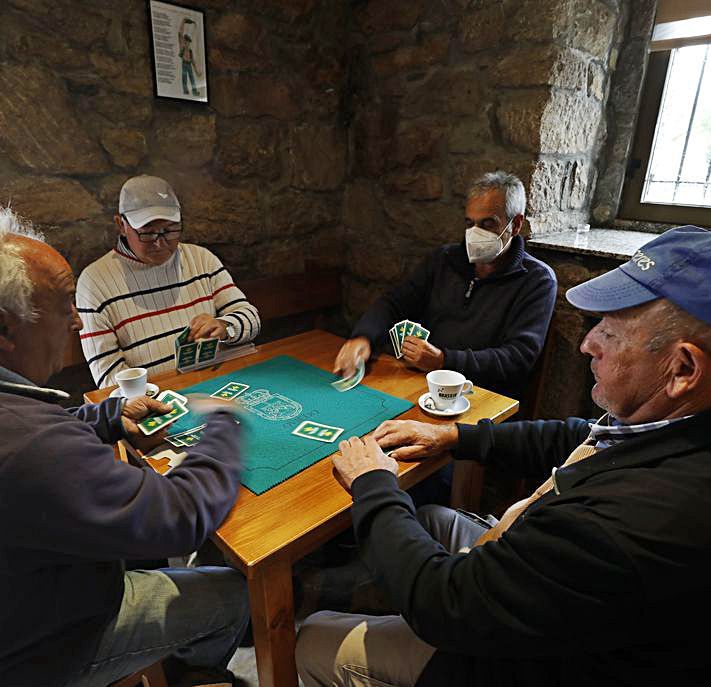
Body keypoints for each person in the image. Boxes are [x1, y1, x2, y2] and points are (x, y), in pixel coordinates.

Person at [297, 225, 711, 687]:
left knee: (313, 637)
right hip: (545, 594)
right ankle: (370, 592)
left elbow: (447, 605)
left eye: (609, 334)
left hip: (518, 662)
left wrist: (373, 483)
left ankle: (341, 607)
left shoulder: (636, 521)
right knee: (432, 516)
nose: (587, 343)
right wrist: (455, 437)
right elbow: (579, 437)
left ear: (683, 368)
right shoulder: (674, 423)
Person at [0, 206, 249, 687]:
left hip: (31, 592)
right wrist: (223, 425)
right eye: (64, 304)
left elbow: (36, 427)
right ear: (5, 329)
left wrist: (108, 416)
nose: (76, 321)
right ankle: (187, 674)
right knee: (233, 593)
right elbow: (180, 518)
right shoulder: (30, 445)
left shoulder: (21, 419)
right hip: (40, 645)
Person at [334, 170, 557, 400]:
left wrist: (443, 360)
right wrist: (362, 337)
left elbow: (517, 359)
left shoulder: (538, 281)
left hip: (480, 396)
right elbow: (393, 303)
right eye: (470, 223)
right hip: (425, 385)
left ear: (516, 224)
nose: (475, 233)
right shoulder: (444, 260)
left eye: (488, 224)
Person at [77, 175, 260, 388]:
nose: (160, 242)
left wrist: (225, 327)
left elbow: (251, 319)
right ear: (121, 225)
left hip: (221, 382)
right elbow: (109, 378)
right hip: (157, 402)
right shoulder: (94, 282)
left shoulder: (201, 259)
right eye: (147, 233)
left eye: (170, 230)